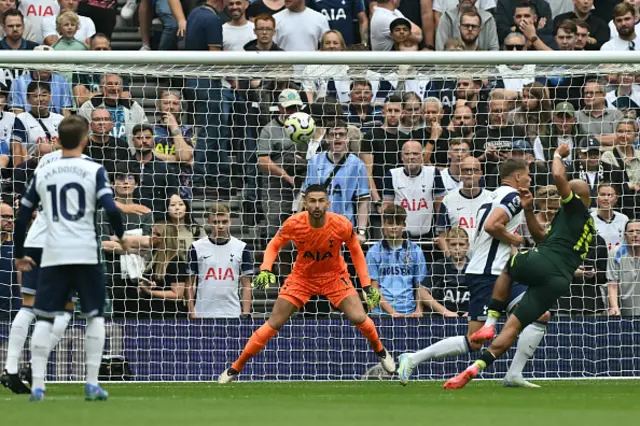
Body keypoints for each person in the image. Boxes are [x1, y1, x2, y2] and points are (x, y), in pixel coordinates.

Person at [443, 143, 595, 389]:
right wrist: (528, 210)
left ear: (577, 195)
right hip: (559, 280)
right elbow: (541, 237)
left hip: (544, 262)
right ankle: (474, 369)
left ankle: (490, 324)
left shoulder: (575, 206)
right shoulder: (580, 224)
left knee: (510, 264)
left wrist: (557, 154)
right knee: (514, 327)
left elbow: (558, 175)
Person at [218, 184, 395, 383]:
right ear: (305, 202)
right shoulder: (294, 223)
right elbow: (274, 244)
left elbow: (355, 251)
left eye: (321, 201)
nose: (317, 205)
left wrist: (366, 285)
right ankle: (236, 368)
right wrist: (266, 268)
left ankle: (380, 351)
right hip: (302, 277)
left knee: (359, 317)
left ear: (328, 203)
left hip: (334, 276)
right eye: (312, 201)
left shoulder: (341, 224)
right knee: (274, 323)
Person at [397, 158, 550, 388]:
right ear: (517, 176)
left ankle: (514, 374)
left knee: (540, 314)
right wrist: (515, 239)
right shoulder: (512, 197)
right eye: (527, 174)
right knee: (475, 340)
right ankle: (413, 358)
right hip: (488, 274)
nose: (530, 178)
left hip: (500, 271)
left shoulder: (492, 196)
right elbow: (492, 226)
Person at [12, 115, 129, 401]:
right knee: (94, 316)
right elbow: (111, 208)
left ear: (57, 140)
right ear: (85, 139)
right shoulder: (93, 168)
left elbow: (23, 214)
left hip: (53, 251)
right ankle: (91, 382)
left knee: (44, 316)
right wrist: (121, 236)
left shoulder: (44, 170)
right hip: (86, 252)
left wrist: (18, 253)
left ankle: (37, 385)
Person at [367, 204, 453, 318]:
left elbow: (420, 286)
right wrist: (392, 312)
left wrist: (418, 309)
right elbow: (372, 288)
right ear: (383, 225)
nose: (394, 227)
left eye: (398, 223)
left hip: (409, 312)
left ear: (404, 225)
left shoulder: (415, 250)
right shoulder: (373, 252)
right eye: (390, 223)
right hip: (381, 314)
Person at [302, 120, 370, 233]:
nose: (337, 137)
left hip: (345, 226)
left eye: (341, 134)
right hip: (318, 226)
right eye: (333, 134)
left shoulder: (357, 165)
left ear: (347, 138)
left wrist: (362, 231)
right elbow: (306, 196)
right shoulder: (315, 162)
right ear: (327, 138)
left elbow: (363, 201)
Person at [187, 203, 252, 319]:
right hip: (203, 313)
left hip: (232, 314)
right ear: (209, 222)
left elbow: (246, 285)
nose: (220, 226)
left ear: (230, 222)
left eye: (224, 222)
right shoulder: (196, 247)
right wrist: (192, 313)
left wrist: (246, 313)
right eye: (216, 222)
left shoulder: (241, 247)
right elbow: (189, 284)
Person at [137, 224, 188, 318]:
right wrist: (143, 287)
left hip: (168, 316)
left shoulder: (176, 262)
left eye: (156, 234)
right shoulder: (152, 258)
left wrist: (150, 292)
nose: (152, 236)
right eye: (151, 233)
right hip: (149, 313)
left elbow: (177, 295)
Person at [427, 227, 471, 316]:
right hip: (443, 319)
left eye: (461, 244)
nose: (457, 248)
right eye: (453, 244)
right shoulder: (439, 265)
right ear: (447, 245)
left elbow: (486, 293)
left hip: (469, 318)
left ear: (468, 246)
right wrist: (445, 312)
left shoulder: (475, 267)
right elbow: (422, 291)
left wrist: (473, 312)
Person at [607, 220, 640, 316]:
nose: (634, 235)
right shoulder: (615, 254)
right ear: (625, 236)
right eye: (631, 232)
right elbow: (612, 284)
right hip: (624, 310)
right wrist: (614, 307)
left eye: (638, 232)